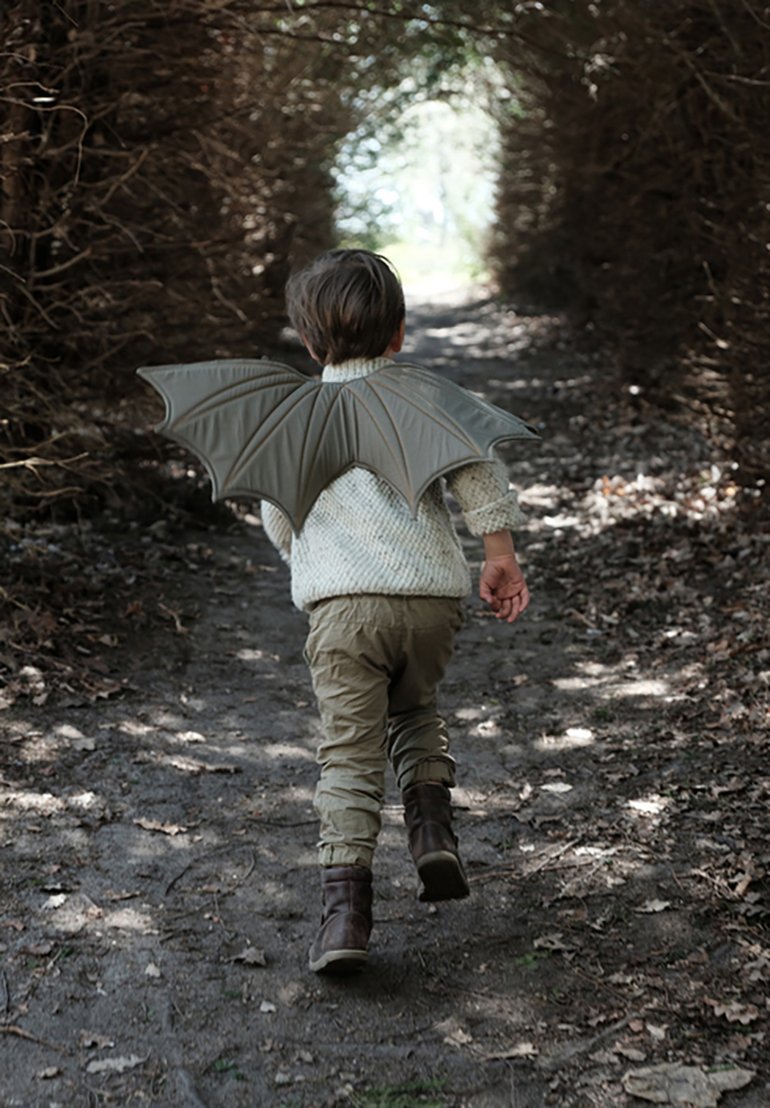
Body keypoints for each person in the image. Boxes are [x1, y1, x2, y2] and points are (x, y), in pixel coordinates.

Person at [261, 249, 530, 974]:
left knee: (349, 755)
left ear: (311, 343)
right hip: (431, 601)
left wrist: (314, 558)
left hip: (345, 611)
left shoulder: (294, 416)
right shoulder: (424, 397)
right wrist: (498, 553)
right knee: (416, 709)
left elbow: (280, 522)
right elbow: (479, 472)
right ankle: (432, 828)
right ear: (399, 334)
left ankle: (346, 915)